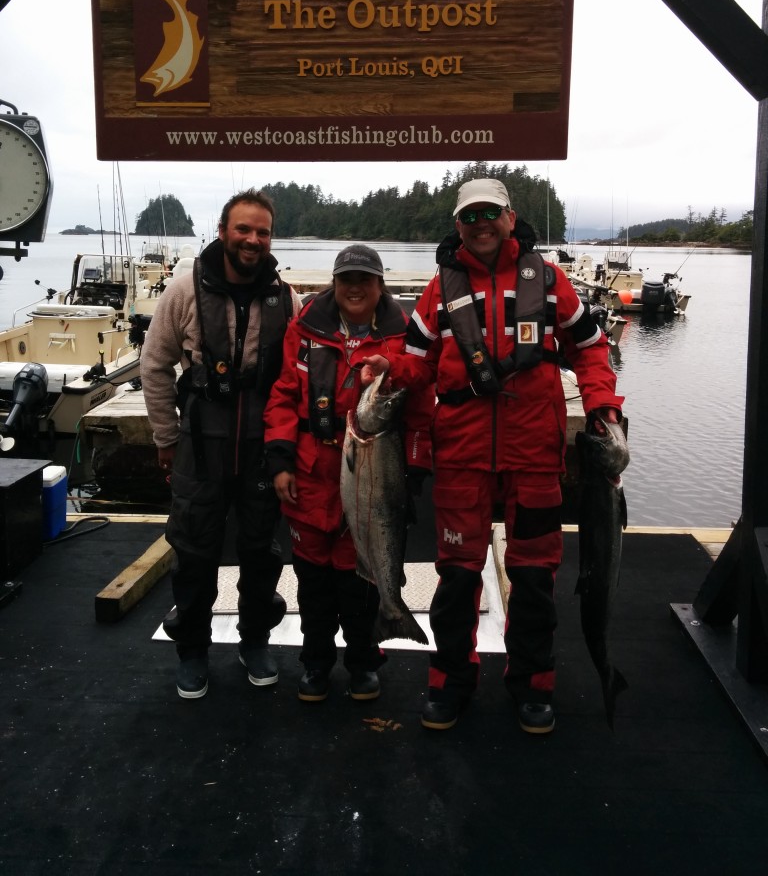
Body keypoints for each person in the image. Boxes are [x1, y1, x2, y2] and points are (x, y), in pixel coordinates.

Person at [363, 177, 624, 733]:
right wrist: (388, 368)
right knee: (457, 576)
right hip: (460, 454)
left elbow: (592, 350)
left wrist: (602, 408)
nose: (480, 225)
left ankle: (533, 683)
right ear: (457, 225)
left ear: (510, 217)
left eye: (490, 214)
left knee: (533, 576)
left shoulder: (550, 283)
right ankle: (450, 681)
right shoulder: (440, 290)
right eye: (469, 217)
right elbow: (417, 362)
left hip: (535, 454)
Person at [141, 189, 302, 699]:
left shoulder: (287, 297)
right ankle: (192, 650)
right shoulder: (184, 291)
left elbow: (298, 375)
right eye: (244, 229)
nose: (253, 240)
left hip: (261, 447)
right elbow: (154, 365)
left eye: (263, 231)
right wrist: (166, 436)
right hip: (200, 445)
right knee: (193, 552)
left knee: (261, 552)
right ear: (222, 231)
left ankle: (254, 641)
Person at [263, 244, 433, 703]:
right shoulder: (305, 330)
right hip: (311, 479)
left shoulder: (403, 336)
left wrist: (412, 469)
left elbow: (419, 407)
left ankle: (363, 662)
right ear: (334, 285)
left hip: (372, 478)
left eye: (365, 280)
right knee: (314, 589)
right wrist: (279, 461)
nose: (355, 288)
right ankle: (316, 664)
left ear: (381, 285)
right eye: (346, 280)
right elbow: (282, 396)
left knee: (361, 586)